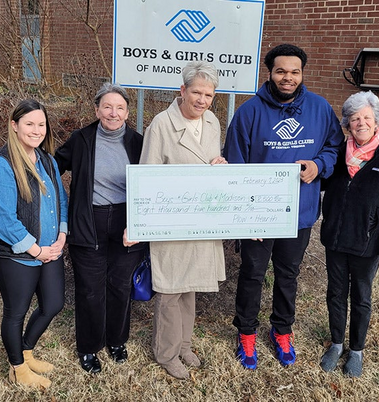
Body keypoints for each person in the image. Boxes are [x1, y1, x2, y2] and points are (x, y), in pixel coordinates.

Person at [223, 43, 344, 370]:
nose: (287, 77)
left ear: (302, 73)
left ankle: (282, 329)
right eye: (281, 71)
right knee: (252, 273)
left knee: (288, 274)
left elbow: (335, 148)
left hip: (299, 213)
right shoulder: (248, 112)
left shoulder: (319, 109)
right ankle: (246, 332)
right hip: (258, 216)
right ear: (270, 73)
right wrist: (246, 218)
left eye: (294, 71)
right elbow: (235, 165)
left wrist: (319, 165)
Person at [138, 61, 227, 380]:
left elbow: (210, 164)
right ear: (182, 91)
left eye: (209, 94)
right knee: (170, 289)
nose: (202, 100)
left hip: (202, 218)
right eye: (197, 92)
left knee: (192, 286)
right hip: (171, 218)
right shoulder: (161, 125)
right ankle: (166, 352)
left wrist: (219, 164)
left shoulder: (213, 122)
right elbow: (146, 176)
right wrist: (146, 222)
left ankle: (185, 345)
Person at [54, 83, 145, 374]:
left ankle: (116, 341)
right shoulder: (81, 139)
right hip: (88, 220)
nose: (113, 113)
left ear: (128, 112)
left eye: (119, 107)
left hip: (126, 222)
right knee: (90, 289)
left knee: (120, 286)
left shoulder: (138, 142)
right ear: (96, 110)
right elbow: (53, 166)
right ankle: (89, 347)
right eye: (107, 106)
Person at [319, 91, 379, 377]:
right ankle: (336, 343)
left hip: (367, 244)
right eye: (355, 118)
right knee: (335, 293)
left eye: (367, 117)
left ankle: (355, 350)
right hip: (335, 239)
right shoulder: (336, 156)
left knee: (361, 297)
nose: (361, 123)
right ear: (347, 123)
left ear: (376, 121)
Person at [0, 99, 68, 389]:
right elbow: (4, 221)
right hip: (16, 255)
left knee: (53, 304)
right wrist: (37, 250)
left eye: (41, 124)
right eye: (29, 124)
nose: (36, 130)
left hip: (50, 249)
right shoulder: (0, 165)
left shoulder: (48, 160)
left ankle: (26, 350)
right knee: (15, 312)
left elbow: (61, 202)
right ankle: (17, 369)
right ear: (14, 126)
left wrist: (61, 237)